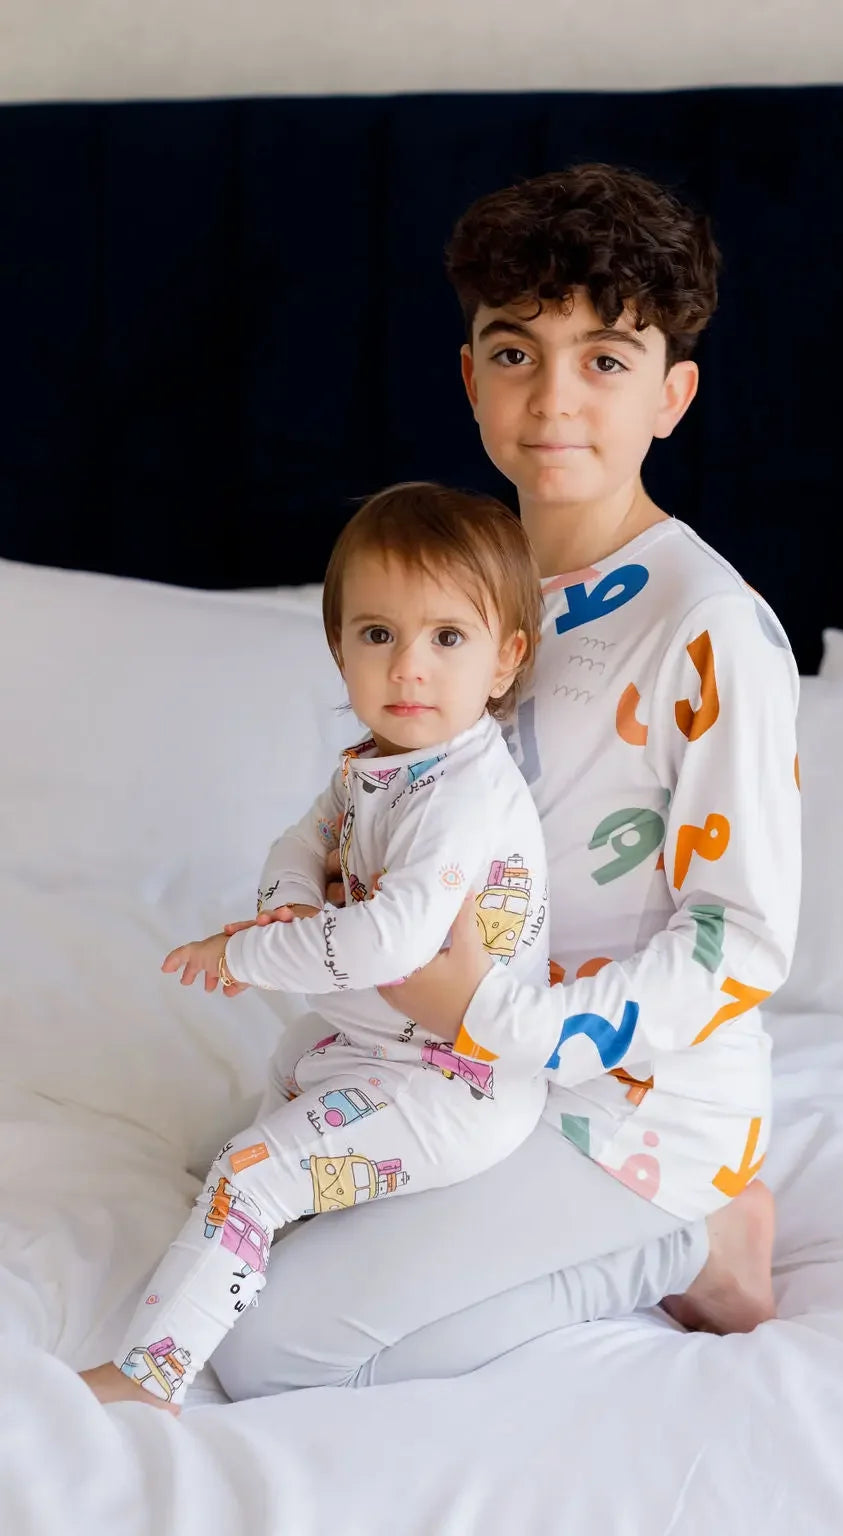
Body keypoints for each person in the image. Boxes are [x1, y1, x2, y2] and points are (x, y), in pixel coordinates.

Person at [211, 161, 803, 1401]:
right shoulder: (465, 589)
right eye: (516, 352)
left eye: (605, 359)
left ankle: (695, 1241)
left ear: (671, 395)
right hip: (451, 1060)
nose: (553, 399)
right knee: (227, 1244)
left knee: (273, 1355)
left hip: (614, 1101)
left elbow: (741, 941)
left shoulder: (707, 629)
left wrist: (497, 1021)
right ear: (471, 376)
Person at [79, 482, 551, 1413]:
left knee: (251, 1170)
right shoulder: (379, 762)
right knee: (292, 1066)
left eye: (447, 638)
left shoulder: (463, 795)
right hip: (371, 1045)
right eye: (378, 635)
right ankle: (259, 1229)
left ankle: (148, 1375)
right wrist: (289, 910)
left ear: (505, 659)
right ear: (340, 649)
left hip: (455, 1082)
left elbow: (393, 943)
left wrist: (245, 955)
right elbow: (297, 845)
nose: (408, 667)